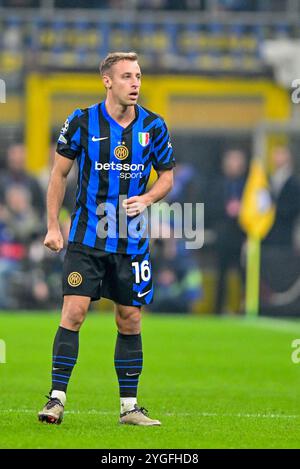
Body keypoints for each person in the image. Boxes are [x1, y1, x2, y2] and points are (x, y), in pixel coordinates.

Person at [38, 52, 175, 426]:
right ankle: (56, 398)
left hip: (131, 242)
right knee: (75, 312)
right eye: (128, 76)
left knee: (130, 319)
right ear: (108, 81)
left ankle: (129, 408)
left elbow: (166, 176)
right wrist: (53, 226)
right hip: (86, 238)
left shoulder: (154, 126)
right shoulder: (82, 121)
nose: (136, 83)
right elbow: (58, 174)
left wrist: (146, 198)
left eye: (139, 76)